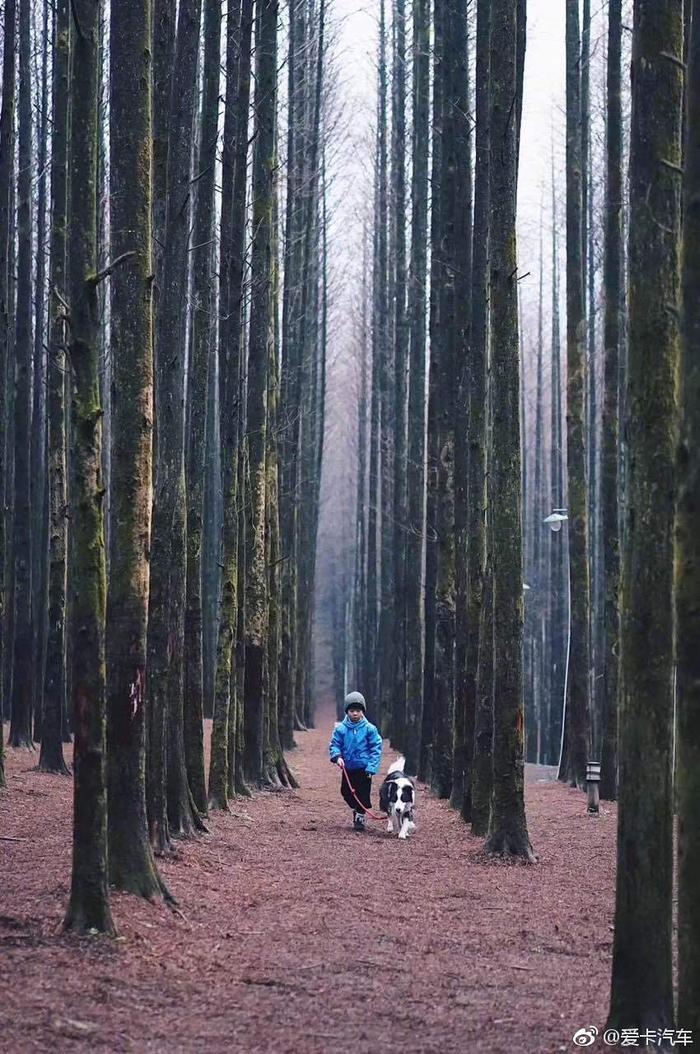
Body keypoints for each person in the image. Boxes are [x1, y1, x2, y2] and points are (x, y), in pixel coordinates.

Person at [329, 691, 383, 831]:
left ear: (362, 712)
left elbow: (376, 747)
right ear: (347, 711)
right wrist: (337, 757)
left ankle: (360, 816)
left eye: (358, 711)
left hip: (364, 769)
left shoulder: (369, 729)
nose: (355, 714)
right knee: (346, 792)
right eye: (352, 711)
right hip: (348, 768)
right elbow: (335, 744)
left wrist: (371, 767)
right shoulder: (341, 729)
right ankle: (356, 808)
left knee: (363, 794)